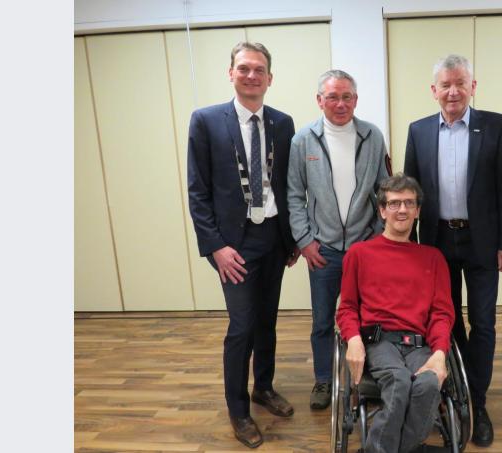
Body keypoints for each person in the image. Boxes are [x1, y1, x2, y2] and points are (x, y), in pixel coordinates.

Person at [187, 41, 300, 449]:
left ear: (270, 78)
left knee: (267, 319)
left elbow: (287, 185)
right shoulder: (206, 121)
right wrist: (215, 247)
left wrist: (292, 238)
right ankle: (238, 408)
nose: (252, 76)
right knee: (242, 326)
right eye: (244, 68)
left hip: (273, 236)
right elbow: (197, 192)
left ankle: (263, 387)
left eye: (259, 70)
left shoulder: (283, 123)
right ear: (230, 73)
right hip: (234, 244)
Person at [403, 54, 502, 447]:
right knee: (447, 321)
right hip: (437, 242)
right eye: (445, 85)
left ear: (473, 86)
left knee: (483, 323)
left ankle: (479, 402)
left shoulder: (497, 126)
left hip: (483, 241)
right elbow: (411, 195)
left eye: (460, 83)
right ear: (433, 91)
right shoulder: (418, 131)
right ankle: (456, 389)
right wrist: (410, 248)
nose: (453, 91)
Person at [287, 69, 391, 410]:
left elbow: (384, 190)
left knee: (367, 319)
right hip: (324, 251)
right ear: (319, 100)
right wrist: (305, 240)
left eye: (347, 96)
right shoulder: (303, 140)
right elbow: (293, 195)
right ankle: (323, 380)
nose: (340, 103)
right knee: (322, 320)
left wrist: (377, 238)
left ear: (356, 100)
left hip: (364, 249)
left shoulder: (372, 136)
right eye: (332, 96)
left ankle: (366, 379)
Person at [336, 173, 455, 453]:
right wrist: (353, 339)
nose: (402, 209)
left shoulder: (433, 258)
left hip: (419, 344)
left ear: (417, 211)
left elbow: (441, 313)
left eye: (409, 203)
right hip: (380, 342)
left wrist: (439, 354)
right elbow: (348, 308)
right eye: (394, 203)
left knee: (428, 384)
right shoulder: (359, 254)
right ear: (382, 210)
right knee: (399, 382)